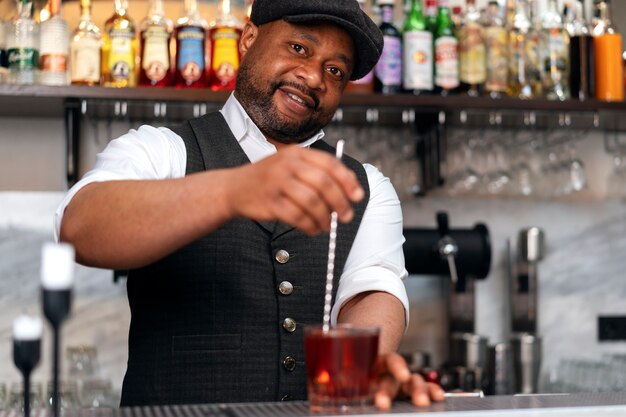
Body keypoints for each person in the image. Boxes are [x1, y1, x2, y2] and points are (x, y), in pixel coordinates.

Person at [55, 0, 445, 410]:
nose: (313, 77)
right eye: (299, 48)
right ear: (249, 37)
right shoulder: (162, 151)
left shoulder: (367, 187)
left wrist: (368, 361)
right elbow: (80, 227)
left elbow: (372, 289)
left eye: (335, 71)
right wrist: (235, 189)